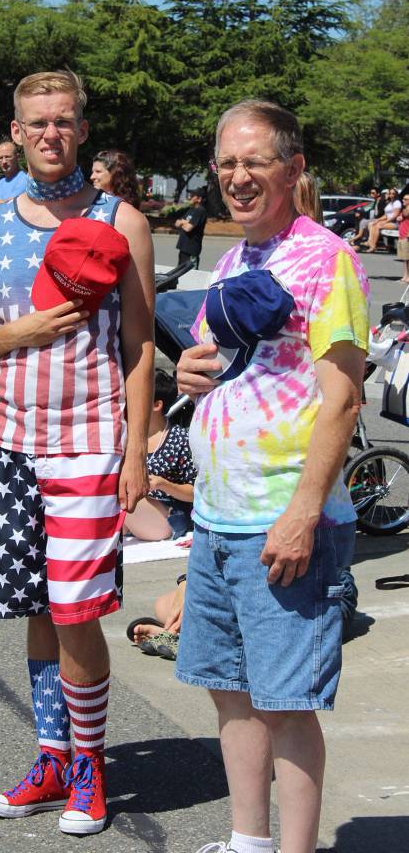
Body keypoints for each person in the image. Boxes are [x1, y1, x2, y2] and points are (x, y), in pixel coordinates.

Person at [0, 69, 155, 835]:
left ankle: (90, 768)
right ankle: (51, 757)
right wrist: (20, 334)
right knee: (32, 605)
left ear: (81, 129)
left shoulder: (121, 221)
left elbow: (137, 345)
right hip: (5, 443)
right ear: (17, 131)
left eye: (62, 121)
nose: (50, 134)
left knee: (74, 610)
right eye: (37, 123)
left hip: (88, 444)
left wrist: (135, 452)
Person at [176, 99, 369, 853]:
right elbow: (212, 362)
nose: (238, 176)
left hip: (281, 521)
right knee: (230, 693)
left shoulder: (327, 258)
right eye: (226, 162)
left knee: (286, 704)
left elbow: (343, 398)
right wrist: (192, 371)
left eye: (254, 161)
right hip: (218, 517)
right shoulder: (235, 258)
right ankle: (247, 841)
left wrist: (302, 513)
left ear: (291, 168)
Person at [125, 368, 196, 542]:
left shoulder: (180, 439)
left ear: (157, 405)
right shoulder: (125, 435)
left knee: (116, 487)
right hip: (135, 516)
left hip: (169, 519)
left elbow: (197, 492)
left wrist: (163, 484)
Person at [0, 140, 28, 206]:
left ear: (17, 157)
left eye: (7, 157)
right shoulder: (0, 182)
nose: (4, 162)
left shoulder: (24, 180)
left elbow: (8, 204)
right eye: (0, 158)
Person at [174, 188, 207, 270]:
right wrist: (184, 222)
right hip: (183, 248)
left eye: (192, 196)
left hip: (192, 249)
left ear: (199, 199)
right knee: (179, 274)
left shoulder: (200, 211)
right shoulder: (190, 210)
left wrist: (183, 222)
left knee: (191, 276)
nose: (190, 197)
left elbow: (188, 228)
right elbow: (177, 223)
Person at [362, 186, 401, 252]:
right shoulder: (390, 203)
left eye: (393, 193)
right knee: (373, 224)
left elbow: (395, 215)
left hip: (394, 223)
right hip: (388, 221)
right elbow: (386, 215)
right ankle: (371, 243)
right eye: (390, 193)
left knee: (378, 226)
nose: (391, 195)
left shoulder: (397, 203)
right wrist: (378, 220)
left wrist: (385, 222)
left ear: (396, 194)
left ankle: (373, 246)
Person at [396, 194, 409, 283]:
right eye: (403, 199)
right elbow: (398, 217)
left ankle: (408, 277)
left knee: (408, 258)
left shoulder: (406, 210)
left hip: (406, 235)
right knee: (405, 259)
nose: (403, 200)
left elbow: (404, 215)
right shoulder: (404, 209)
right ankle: (405, 276)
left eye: (405, 199)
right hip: (401, 235)